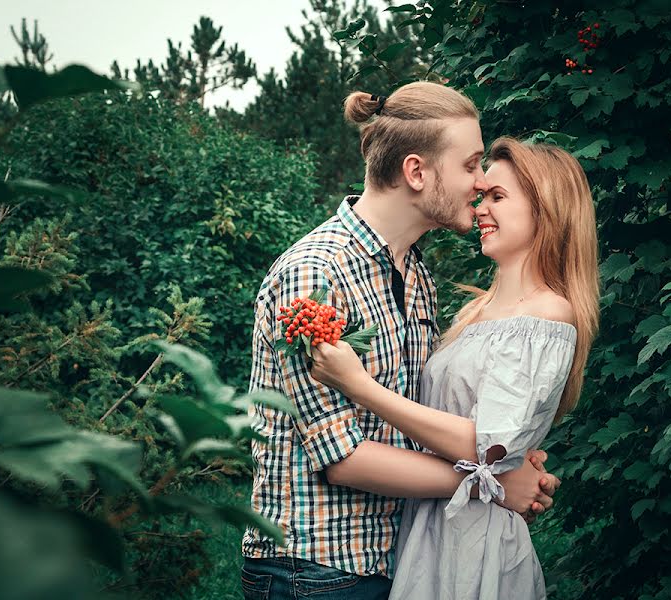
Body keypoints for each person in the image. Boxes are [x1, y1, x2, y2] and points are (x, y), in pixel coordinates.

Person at [240, 82, 562, 600]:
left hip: (397, 557)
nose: (480, 183)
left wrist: (510, 460)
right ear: (416, 172)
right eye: (471, 165)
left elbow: (412, 420)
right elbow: (341, 456)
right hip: (315, 567)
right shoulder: (315, 273)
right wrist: (489, 483)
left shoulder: (415, 275)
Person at [310, 137, 600, 599]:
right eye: (483, 195)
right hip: (428, 526)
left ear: (547, 211)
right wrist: (511, 474)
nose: (482, 207)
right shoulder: (474, 313)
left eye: (498, 197)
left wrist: (359, 386)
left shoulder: (548, 315)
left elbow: (490, 449)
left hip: (474, 542)